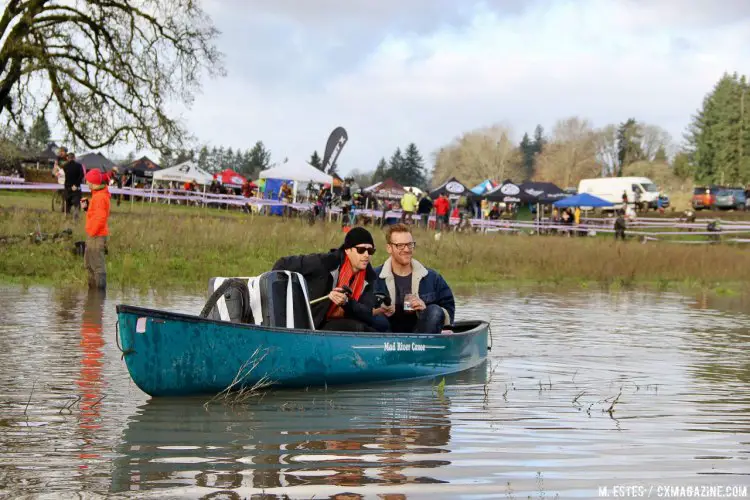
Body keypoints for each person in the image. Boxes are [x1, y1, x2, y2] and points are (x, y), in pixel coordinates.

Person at [272, 227, 378, 332]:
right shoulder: (325, 262)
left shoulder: (370, 278)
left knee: (378, 325)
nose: (366, 255)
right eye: (361, 250)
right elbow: (282, 264)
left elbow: (366, 313)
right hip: (311, 322)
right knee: (358, 328)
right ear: (347, 250)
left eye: (370, 251)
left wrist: (346, 303)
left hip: (337, 322)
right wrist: (285, 301)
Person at [372, 223, 455, 334]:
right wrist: (379, 310)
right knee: (377, 318)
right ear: (389, 248)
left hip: (421, 336)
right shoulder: (373, 277)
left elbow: (449, 311)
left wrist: (425, 310)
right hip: (386, 338)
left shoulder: (432, 278)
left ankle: (424, 349)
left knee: (434, 311)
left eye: (410, 244)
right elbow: (360, 310)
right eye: (400, 245)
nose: (406, 249)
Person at [81, 169, 111, 289]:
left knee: (97, 266)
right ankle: (92, 296)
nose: (86, 183)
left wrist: (92, 232)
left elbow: (101, 218)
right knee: (89, 264)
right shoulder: (97, 195)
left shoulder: (100, 197)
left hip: (96, 235)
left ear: (93, 182)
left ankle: (98, 296)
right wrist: (87, 208)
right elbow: (96, 214)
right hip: (93, 234)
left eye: (87, 181)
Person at [62, 151, 85, 217]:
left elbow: (61, 177)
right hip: (76, 188)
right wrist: (76, 185)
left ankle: (66, 215)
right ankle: (75, 217)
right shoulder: (79, 166)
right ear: (74, 158)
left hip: (67, 188)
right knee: (77, 203)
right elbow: (81, 176)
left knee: (67, 203)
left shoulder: (64, 166)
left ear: (67, 158)